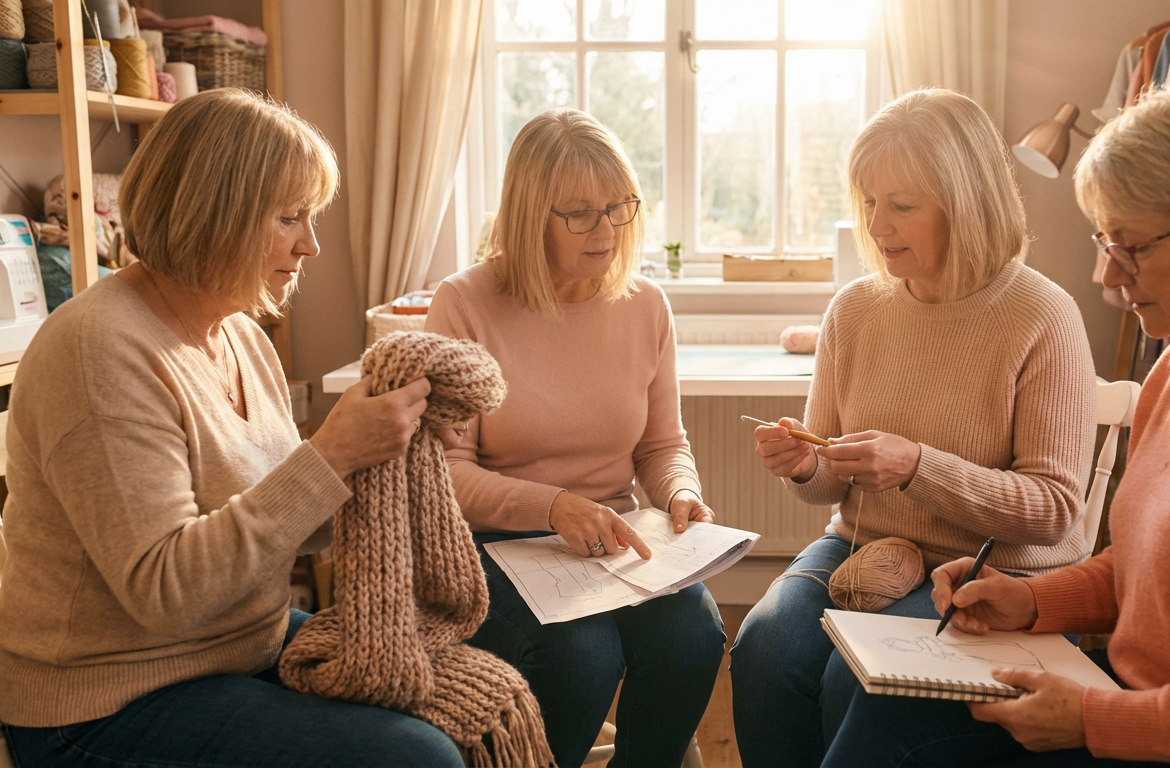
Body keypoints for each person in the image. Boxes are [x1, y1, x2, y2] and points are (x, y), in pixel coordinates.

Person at [821, 72, 1170, 768]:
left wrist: (1100, 719)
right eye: (1102, 240)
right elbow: (1149, 570)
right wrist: (1030, 602)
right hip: (1137, 710)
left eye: (1132, 246)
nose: (1105, 278)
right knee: (880, 704)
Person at [0, 90, 465, 768]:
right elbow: (167, 592)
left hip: (233, 648)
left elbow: (281, 522)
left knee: (460, 687)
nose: (311, 244)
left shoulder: (240, 335)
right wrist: (332, 454)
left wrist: (381, 455)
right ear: (215, 214)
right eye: (290, 218)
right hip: (103, 703)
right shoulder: (98, 349)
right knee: (415, 758)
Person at [731, 87, 1098, 768]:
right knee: (764, 648)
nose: (877, 224)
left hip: (993, 576)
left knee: (855, 678)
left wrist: (916, 467)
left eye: (901, 206)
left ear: (967, 204)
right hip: (862, 553)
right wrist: (805, 467)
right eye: (868, 201)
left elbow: (1053, 511)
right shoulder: (854, 310)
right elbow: (825, 494)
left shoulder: (1042, 315)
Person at [425, 108, 725, 768]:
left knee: (695, 634)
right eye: (582, 213)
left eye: (621, 208)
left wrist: (680, 492)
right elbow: (448, 471)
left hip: (609, 539)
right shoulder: (465, 302)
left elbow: (661, 445)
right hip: (495, 544)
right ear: (533, 214)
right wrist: (554, 507)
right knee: (584, 654)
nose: (609, 230)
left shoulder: (645, 304)